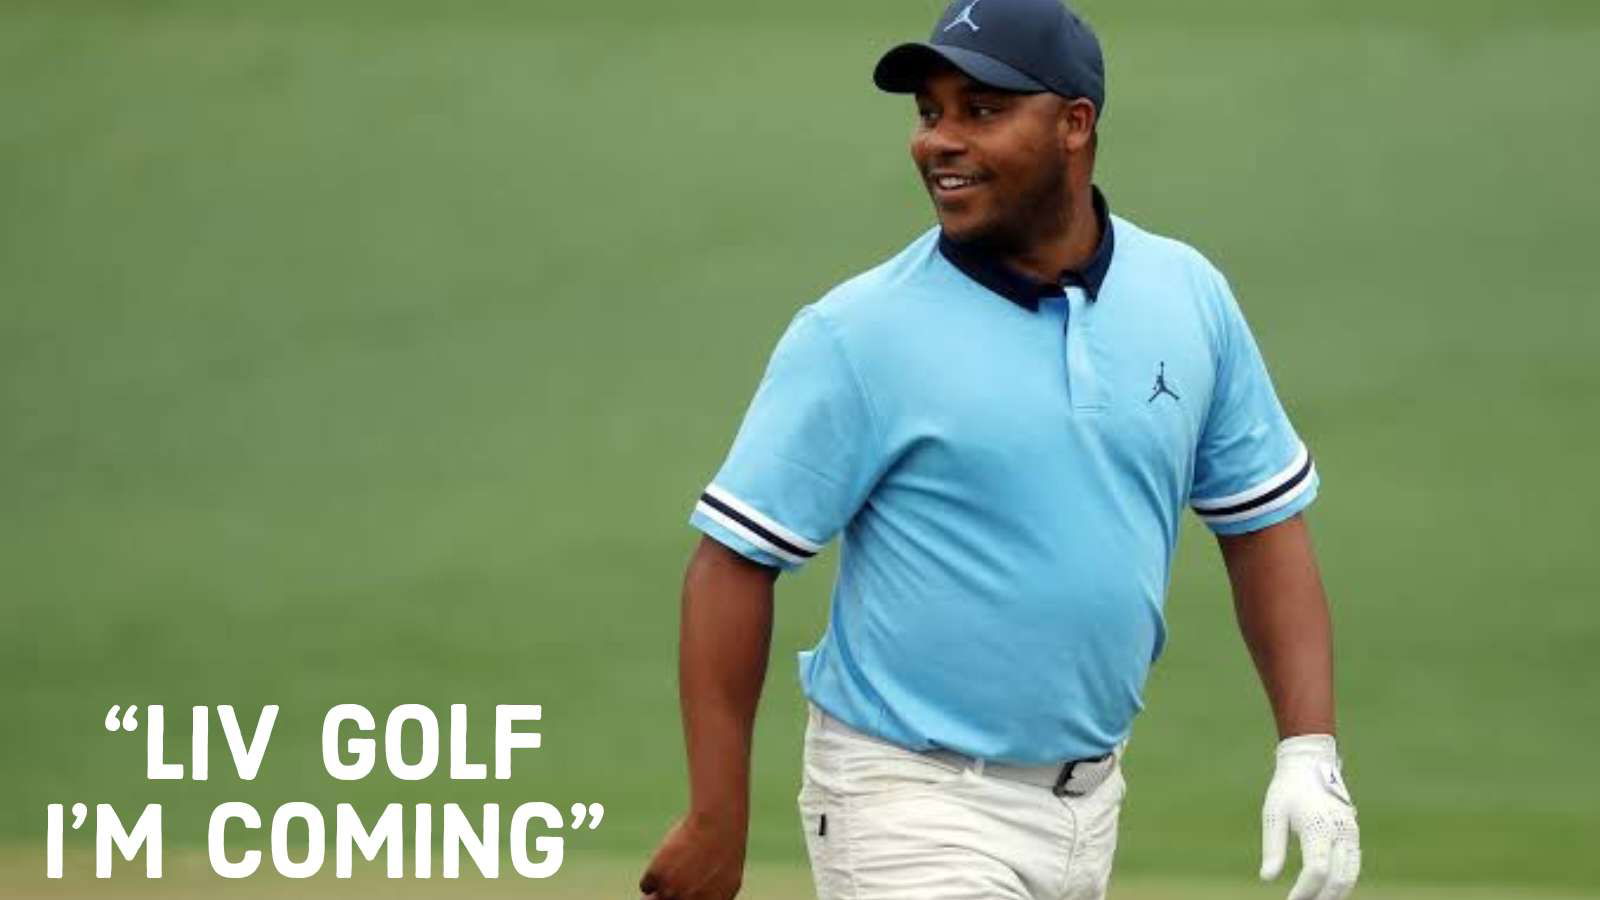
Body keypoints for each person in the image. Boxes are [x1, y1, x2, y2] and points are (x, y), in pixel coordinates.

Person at [638, 0, 1361, 897]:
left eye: (981, 110)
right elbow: (731, 564)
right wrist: (716, 818)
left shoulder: (1187, 294)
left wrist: (1308, 750)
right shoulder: (859, 333)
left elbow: (1261, 522)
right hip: (906, 799)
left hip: (1091, 803)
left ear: (1074, 124)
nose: (939, 141)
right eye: (929, 112)